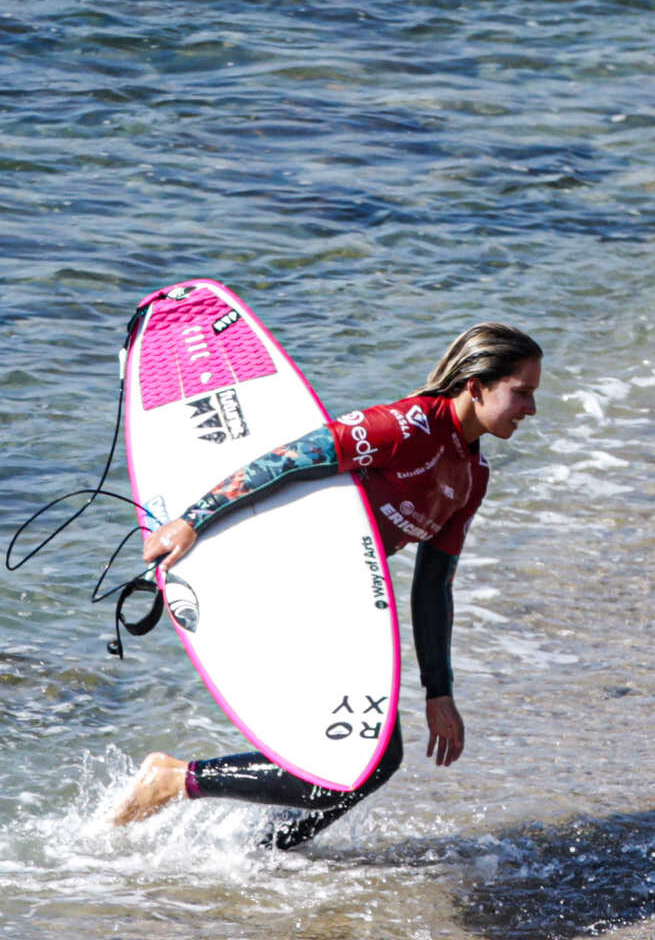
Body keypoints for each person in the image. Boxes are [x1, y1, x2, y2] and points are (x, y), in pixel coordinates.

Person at [109, 322, 543, 848]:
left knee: (371, 762)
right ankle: (175, 780)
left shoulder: (472, 477)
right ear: (476, 385)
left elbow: (433, 586)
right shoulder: (405, 427)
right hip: (286, 581)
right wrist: (193, 519)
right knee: (365, 760)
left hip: (340, 601)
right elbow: (291, 459)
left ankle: (264, 852)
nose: (531, 410)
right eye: (521, 393)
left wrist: (439, 691)